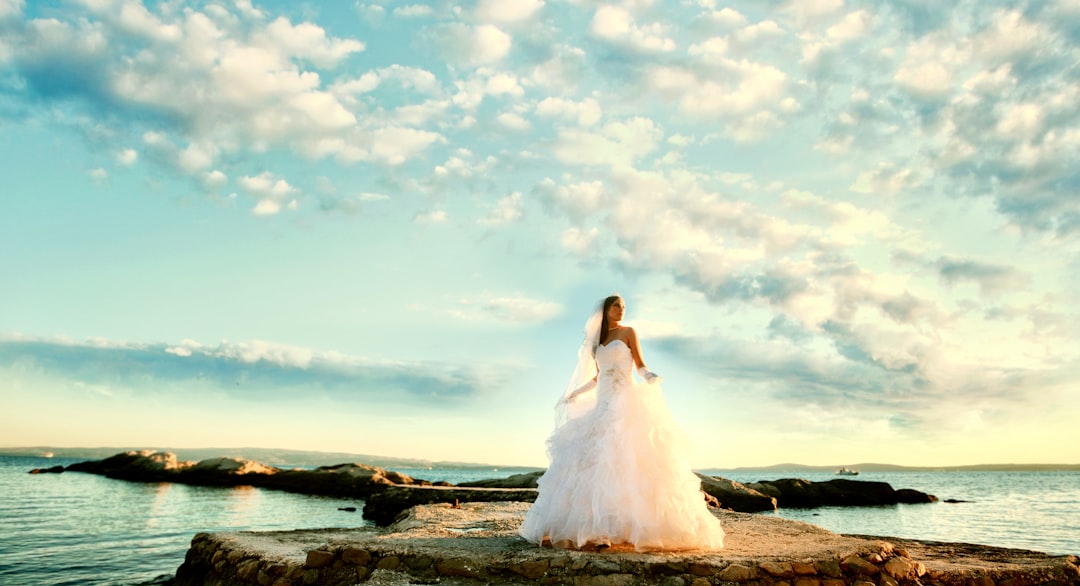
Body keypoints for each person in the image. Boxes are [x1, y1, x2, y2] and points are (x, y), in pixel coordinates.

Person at [519, 295, 725, 552]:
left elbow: (640, 365)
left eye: (624, 307)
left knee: (622, 462)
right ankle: (596, 530)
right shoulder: (596, 343)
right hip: (601, 406)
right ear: (606, 310)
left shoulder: (629, 332)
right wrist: (576, 393)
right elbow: (597, 377)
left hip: (625, 404)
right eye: (617, 306)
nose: (621, 310)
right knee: (592, 465)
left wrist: (649, 376)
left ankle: (618, 529)